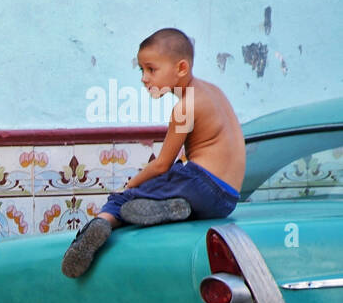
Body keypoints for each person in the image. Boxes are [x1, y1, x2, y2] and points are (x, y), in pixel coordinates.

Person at [62, 28, 245, 278]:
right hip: (226, 200)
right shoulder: (214, 92)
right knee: (168, 185)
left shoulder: (185, 107)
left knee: (123, 199)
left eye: (151, 69)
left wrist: (130, 185)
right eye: (141, 70)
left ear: (181, 68)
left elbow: (161, 165)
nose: (144, 78)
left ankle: (98, 226)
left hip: (200, 182)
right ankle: (172, 209)